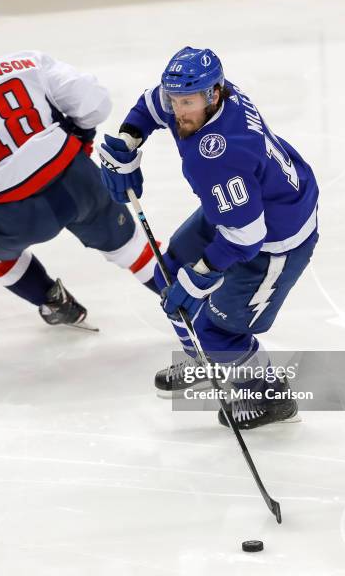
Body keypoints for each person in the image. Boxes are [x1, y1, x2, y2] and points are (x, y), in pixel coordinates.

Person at [99, 47, 319, 428]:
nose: (178, 110)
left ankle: (271, 397)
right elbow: (151, 105)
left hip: (275, 238)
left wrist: (202, 274)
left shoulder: (219, 155)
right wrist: (129, 143)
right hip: (244, 207)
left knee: (217, 329)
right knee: (170, 274)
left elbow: (247, 238)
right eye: (176, 99)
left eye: (188, 101)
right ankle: (205, 357)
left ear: (214, 94)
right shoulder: (204, 97)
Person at [0, 10, 160, 330]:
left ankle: (51, 299)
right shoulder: (29, 62)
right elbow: (95, 102)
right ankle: (199, 306)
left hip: (19, 210)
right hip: (79, 181)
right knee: (133, 250)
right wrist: (81, 137)